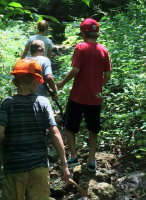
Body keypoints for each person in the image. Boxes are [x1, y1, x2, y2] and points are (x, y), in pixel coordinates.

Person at [0, 58, 70, 200]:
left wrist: (7, 145)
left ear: (14, 82)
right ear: (36, 82)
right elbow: (54, 132)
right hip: (39, 167)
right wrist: (64, 165)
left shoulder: (7, 103)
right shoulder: (43, 102)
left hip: (14, 167)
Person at [56, 18, 112, 172]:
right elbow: (107, 73)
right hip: (95, 97)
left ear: (83, 34)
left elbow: (75, 69)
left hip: (78, 96)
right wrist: (98, 86)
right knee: (93, 128)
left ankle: (74, 156)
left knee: (69, 125)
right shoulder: (103, 50)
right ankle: (91, 159)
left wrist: (61, 83)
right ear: (96, 33)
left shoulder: (81, 47)